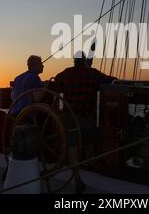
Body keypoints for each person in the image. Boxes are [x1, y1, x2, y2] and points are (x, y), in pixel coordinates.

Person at [54, 51, 116, 193]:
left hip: (70, 117)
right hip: (87, 117)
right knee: (89, 141)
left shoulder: (67, 73)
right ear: (84, 61)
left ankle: (77, 179)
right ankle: (91, 167)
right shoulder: (93, 73)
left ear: (74, 61)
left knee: (73, 147)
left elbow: (56, 79)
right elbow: (110, 80)